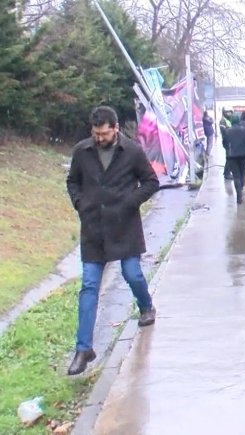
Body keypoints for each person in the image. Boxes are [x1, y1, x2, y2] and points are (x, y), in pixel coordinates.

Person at [65, 106, 160, 376]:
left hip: (124, 224)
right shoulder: (82, 152)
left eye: (104, 134)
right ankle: (83, 349)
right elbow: (72, 182)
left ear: (115, 129)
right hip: (93, 228)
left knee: (132, 273)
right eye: (95, 133)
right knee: (89, 286)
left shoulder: (132, 151)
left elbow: (151, 182)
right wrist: (80, 202)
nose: (99, 138)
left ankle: (146, 306)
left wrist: (131, 202)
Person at [222, 113, 245, 203]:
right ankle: (242, 188)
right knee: (243, 173)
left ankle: (239, 195)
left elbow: (224, 143)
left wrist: (229, 149)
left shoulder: (228, 131)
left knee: (236, 176)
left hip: (232, 156)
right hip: (244, 155)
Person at [219, 109, 233, 180]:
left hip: (230, 141)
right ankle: (227, 173)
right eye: (228, 112)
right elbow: (223, 131)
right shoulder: (223, 120)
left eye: (230, 112)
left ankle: (227, 172)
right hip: (227, 141)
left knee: (230, 157)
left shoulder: (228, 120)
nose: (229, 114)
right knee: (229, 157)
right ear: (224, 113)